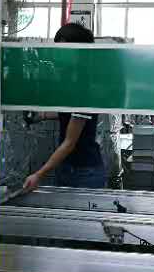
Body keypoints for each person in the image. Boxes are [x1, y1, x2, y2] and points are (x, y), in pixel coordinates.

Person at [22, 22, 107, 191]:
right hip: (67, 167)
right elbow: (71, 114)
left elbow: (69, 143)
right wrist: (41, 116)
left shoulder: (84, 86)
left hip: (84, 172)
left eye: (63, 48)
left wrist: (39, 174)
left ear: (78, 51)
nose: (58, 53)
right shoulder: (72, 79)